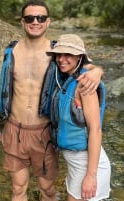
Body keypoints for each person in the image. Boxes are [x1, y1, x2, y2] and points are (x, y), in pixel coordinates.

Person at [0, 1, 104, 201]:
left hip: (45, 132)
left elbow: (87, 66)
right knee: (18, 188)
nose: (35, 22)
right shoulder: (11, 52)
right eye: (30, 18)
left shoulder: (59, 52)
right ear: (22, 22)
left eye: (41, 18)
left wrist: (98, 72)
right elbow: (4, 90)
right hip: (14, 130)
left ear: (48, 22)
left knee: (47, 189)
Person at [46, 34, 111, 201]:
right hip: (77, 163)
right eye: (59, 54)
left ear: (79, 57)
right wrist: (98, 69)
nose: (61, 59)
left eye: (68, 54)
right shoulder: (68, 77)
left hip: (87, 164)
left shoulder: (84, 84)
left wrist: (90, 176)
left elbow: (95, 130)